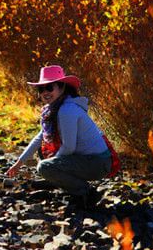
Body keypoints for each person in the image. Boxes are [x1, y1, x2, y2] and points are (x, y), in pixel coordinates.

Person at [6, 65, 111, 207]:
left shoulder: (67, 110)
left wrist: (50, 168)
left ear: (61, 87)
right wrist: (18, 164)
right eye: (41, 89)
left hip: (98, 163)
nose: (45, 92)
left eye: (49, 87)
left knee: (44, 167)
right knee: (43, 152)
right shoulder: (54, 109)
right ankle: (72, 186)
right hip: (89, 160)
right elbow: (40, 138)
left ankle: (86, 193)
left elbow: (69, 147)